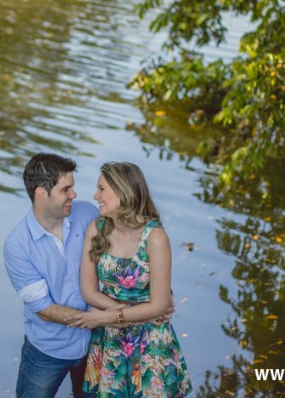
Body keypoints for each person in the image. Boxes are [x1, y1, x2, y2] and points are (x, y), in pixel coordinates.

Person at [69, 161, 192, 397]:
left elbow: (159, 304)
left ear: (123, 191)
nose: (96, 196)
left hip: (150, 339)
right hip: (111, 336)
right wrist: (118, 315)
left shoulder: (155, 237)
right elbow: (88, 290)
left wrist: (106, 317)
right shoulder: (97, 228)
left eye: (101, 189)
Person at [3, 153, 99, 398]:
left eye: (73, 187)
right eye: (66, 189)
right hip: (46, 352)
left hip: (97, 346)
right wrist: (106, 318)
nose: (74, 195)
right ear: (41, 193)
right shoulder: (17, 245)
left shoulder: (88, 214)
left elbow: (122, 257)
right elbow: (44, 309)